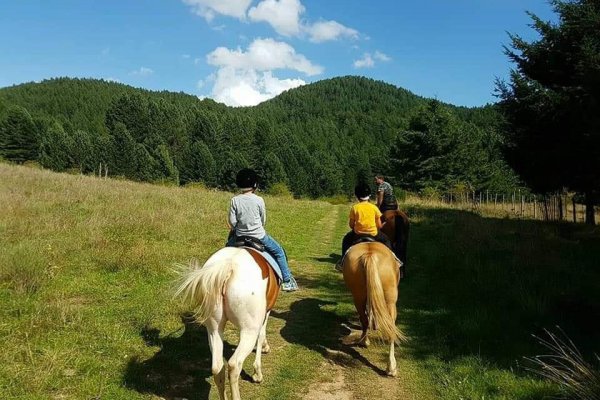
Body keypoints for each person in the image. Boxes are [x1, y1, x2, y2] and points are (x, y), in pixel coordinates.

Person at [226, 168, 298, 292]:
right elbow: (263, 220)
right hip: (259, 237)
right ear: (255, 184)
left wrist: (238, 228)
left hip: (239, 237)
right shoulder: (259, 200)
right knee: (279, 252)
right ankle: (287, 280)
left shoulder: (235, 200)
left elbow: (232, 222)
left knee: (225, 252)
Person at [336, 183, 392, 271]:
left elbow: (351, 225)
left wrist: (357, 227)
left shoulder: (355, 208)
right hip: (374, 234)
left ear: (357, 196)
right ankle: (392, 260)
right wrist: (382, 225)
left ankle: (342, 262)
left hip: (358, 234)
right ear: (369, 195)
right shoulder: (374, 208)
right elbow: (379, 225)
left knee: (346, 240)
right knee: (386, 240)